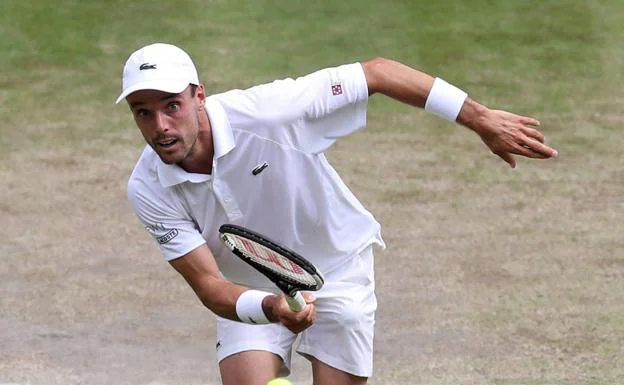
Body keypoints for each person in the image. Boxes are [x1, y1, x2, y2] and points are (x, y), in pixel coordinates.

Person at [116, 43, 557, 385]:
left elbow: (380, 73)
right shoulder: (147, 187)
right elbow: (210, 286)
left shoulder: (272, 112)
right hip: (251, 291)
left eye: (171, 106)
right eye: (144, 113)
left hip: (339, 270)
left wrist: (480, 118)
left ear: (198, 97)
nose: (160, 127)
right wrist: (272, 306)